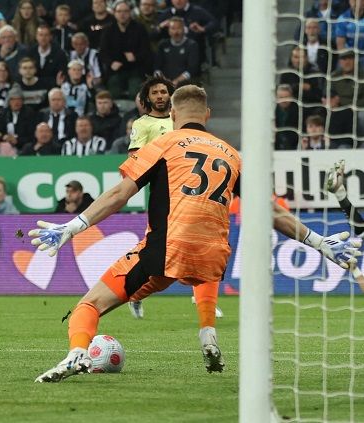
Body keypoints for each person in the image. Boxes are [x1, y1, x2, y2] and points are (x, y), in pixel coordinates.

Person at [31, 85, 363, 382]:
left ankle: (76, 353)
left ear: (173, 114)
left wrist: (73, 226)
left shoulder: (164, 143)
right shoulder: (233, 154)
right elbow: (270, 210)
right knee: (200, 250)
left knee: (88, 306)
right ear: (207, 115)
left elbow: (121, 194)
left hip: (166, 250)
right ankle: (207, 333)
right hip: (213, 259)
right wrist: (319, 242)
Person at [129, 76, 174, 152]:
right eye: (154, 93)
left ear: (170, 96)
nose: (159, 96)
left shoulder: (179, 120)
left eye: (163, 92)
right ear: (147, 98)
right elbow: (133, 155)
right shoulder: (141, 123)